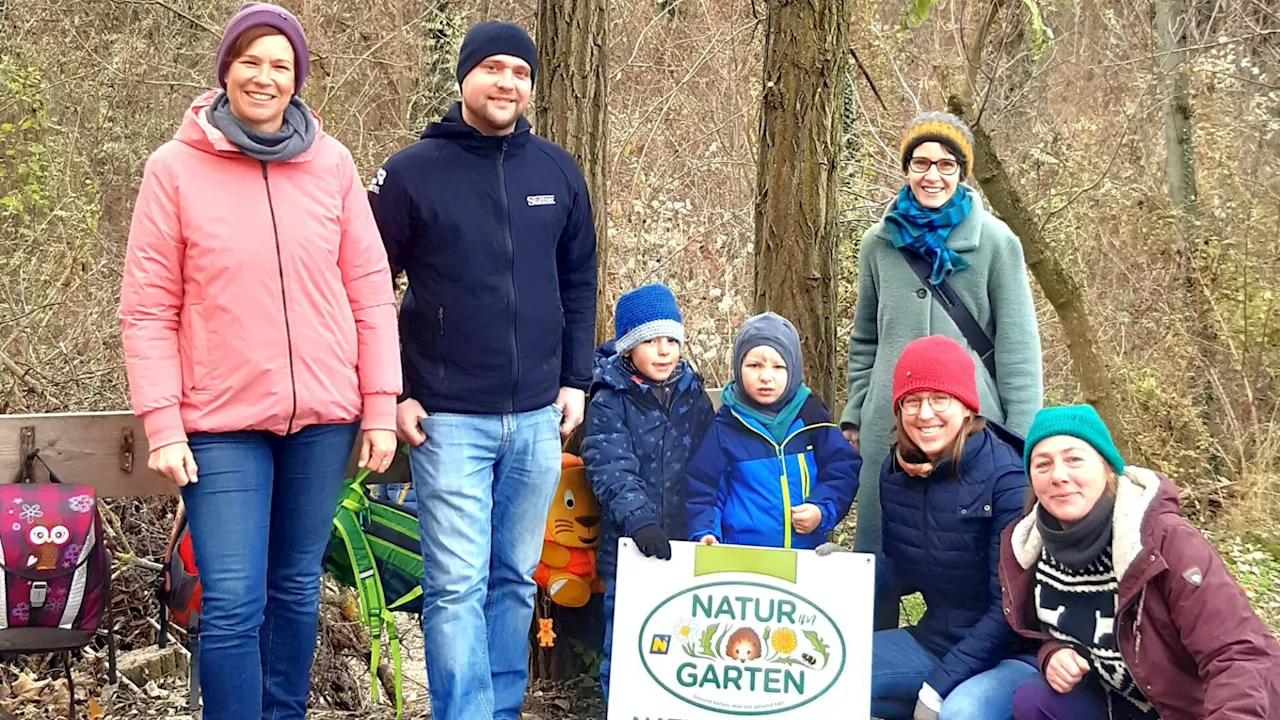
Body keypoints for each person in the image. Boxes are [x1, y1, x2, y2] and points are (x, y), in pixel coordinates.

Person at [118, 5, 401, 719]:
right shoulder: (174, 170)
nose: (264, 76)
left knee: (297, 586)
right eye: (251, 60)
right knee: (236, 597)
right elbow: (148, 309)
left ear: (297, 78)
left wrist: (379, 405)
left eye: (280, 64)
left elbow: (370, 292)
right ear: (226, 70)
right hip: (220, 423)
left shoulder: (331, 165)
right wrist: (163, 423)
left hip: (323, 420)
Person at [366, 20, 598, 720]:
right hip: (447, 419)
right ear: (464, 77)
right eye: (493, 68)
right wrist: (395, 391)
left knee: (514, 580)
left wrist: (575, 379)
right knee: (456, 584)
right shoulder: (411, 173)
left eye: (520, 72)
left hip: (535, 418)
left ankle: (498, 710)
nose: (507, 82)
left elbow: (580, 276)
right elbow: (369, 287)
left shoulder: (556, 170)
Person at [841, 112, 1043, 555]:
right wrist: (856, 413)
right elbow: (865, 339)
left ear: (961, 172)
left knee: (968, 554)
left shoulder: (997, 242)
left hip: (972, 426)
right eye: (921, 163)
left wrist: (1020, 434)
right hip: (890, 423)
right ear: (907, 168)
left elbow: (1018, 349)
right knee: (879, 553)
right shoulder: (878, 243)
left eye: (946, 164)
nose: (932, 175)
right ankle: (877, 627)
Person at [1001, 405, 1280, 719]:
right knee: (1033, 700)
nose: (1059, 476)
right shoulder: (1028, 546)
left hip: (1188, 710)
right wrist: (1052, 654)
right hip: (1114, 701)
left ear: (1108, 468)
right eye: (1042, 464)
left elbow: (1240, 655)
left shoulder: (1165, 541)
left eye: (1074, 459)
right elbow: (1047, 632)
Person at [867, 336, 1037, 720]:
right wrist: (843, 571)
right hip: (934, 640)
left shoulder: (1007, 479)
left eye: (940, 398)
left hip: (1009, 654)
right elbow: (897, 570)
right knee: (828, 676)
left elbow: (1009, 611)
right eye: (912, 401)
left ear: (966, 407)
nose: (925, 414)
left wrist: (937, 688)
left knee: (959, 711)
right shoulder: (894, 474)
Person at [582, 284, 717, 700]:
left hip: (686, 540)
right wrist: (638, 518)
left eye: (671, 340)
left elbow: (710, 462)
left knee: (685, 639)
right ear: (628, 348)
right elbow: (609, 465)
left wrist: (706, 522)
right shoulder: (610, 397)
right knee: (626, 640)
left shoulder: (692, 393)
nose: (664, 351)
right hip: (630, 546)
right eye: (650, 341)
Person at [685, 312, 861, 550]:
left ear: (794, 369)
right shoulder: (725, 427)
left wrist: (821, 508)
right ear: (738, 368)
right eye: (754, 365)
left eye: (778, 366)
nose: (766, 377)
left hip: (805, 557)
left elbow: (842, 470)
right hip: (741, 558)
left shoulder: (812, 420)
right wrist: (706, 532)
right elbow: (703, 490)